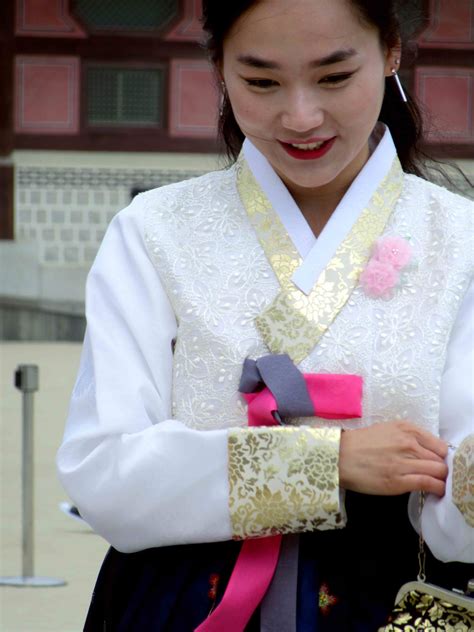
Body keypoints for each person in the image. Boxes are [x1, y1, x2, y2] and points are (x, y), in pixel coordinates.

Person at [57, 0, 473, 629]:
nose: (300, 116)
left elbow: (457, 510)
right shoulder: (154, 231)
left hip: (395, 600)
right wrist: (326, 463)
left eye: (334, 77)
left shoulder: (460, 239)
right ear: (219, 68)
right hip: (181, 598)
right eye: (261, 81)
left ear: (391, 51)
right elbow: (105, 474)